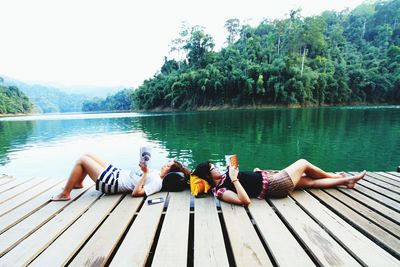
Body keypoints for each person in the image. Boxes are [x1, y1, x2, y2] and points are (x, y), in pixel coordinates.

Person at [191, 159, 366, 206]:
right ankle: (336, 176)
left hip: (272, 181)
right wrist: (234, 178)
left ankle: (346, 182)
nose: (216, 167)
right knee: (303, 163)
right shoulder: (220, 190)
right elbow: (244, 201)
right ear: (208, 175)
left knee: (310, 182)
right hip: (276, 185)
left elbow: (249, 183)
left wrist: (253, 173)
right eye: (212, 167)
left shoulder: (223, 177)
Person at [52, 153, 190, 201]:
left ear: (169, 172)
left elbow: (136, 193)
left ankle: (65, 193)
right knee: (88, 155)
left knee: (82, 160)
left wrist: (145, 173)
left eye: (167, 166)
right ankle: (78, 183)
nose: (164, 165)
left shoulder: (158, 183)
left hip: (112, 183)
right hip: (117, 173)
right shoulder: (157, 175)